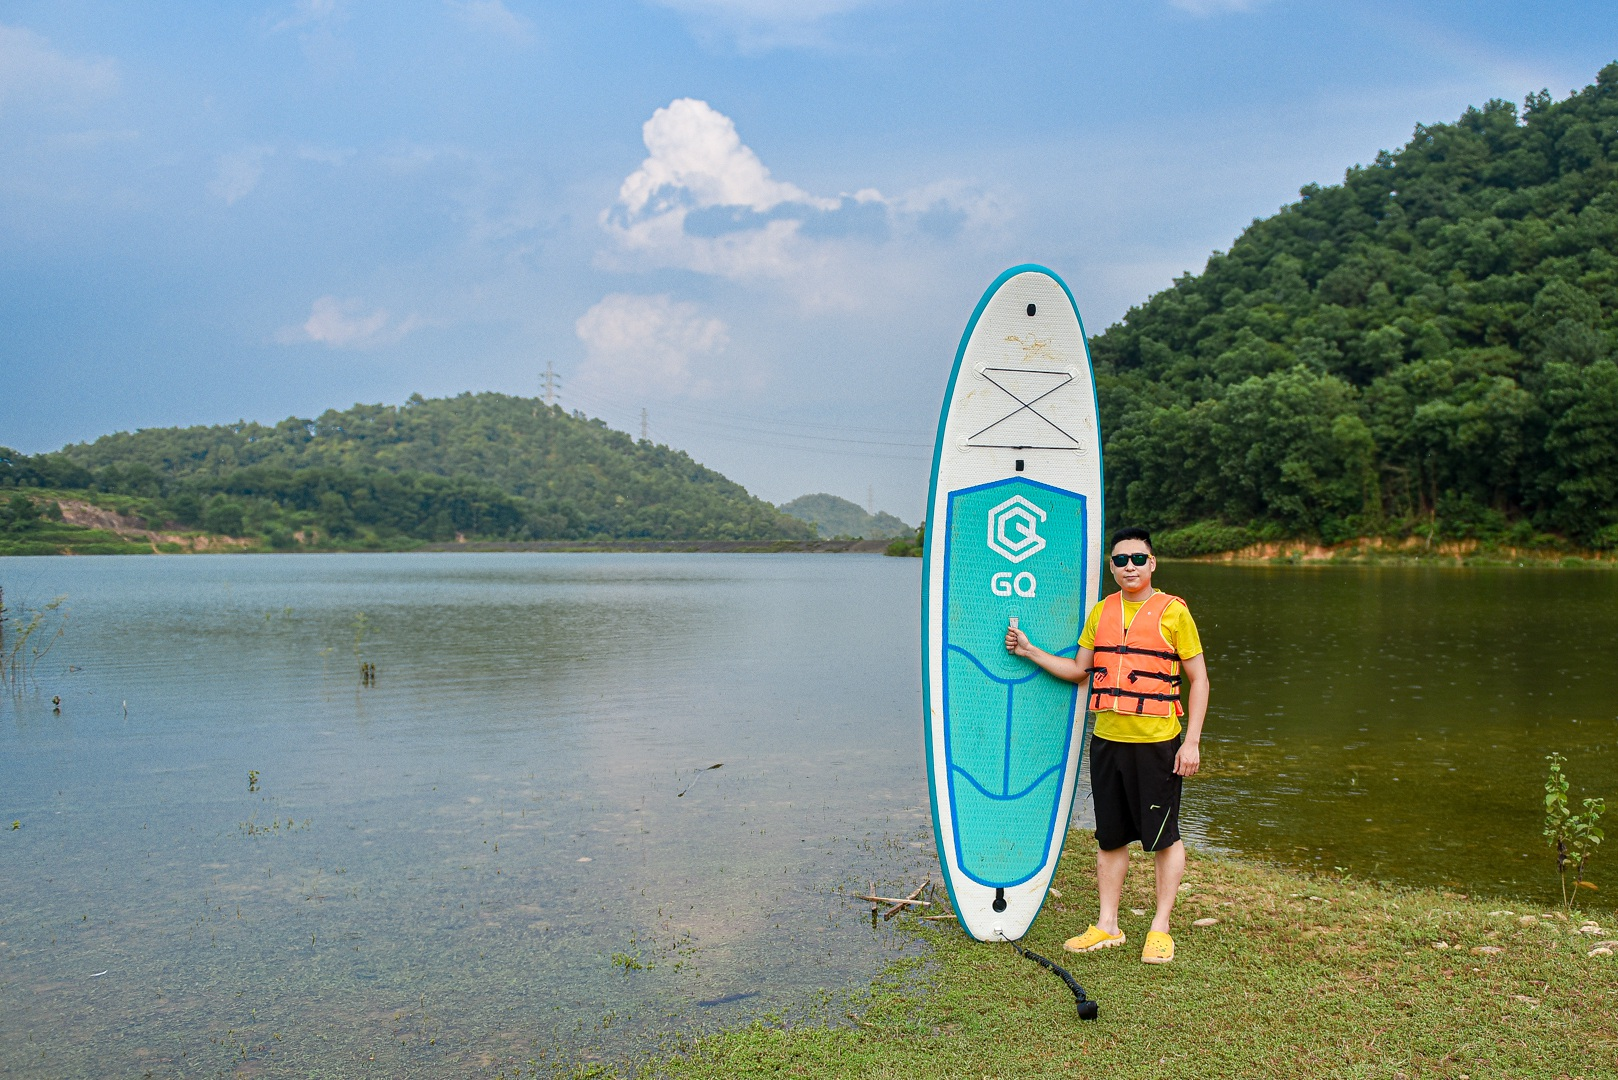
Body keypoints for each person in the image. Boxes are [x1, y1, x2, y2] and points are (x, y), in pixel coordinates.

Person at [1004, 527, 1208, 964]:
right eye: (1120, 560)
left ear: (1152, 563)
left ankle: (1160, 927)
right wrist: (1029, 650)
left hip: (1158, 744)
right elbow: (1080, 670)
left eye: (1137, 558)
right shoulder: (1102, 611)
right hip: (1108, 742)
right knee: (1110, 837)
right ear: (1111, 567)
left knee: (1163, 837)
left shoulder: (1174, 613)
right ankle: (1107, 925)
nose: (1129, 566)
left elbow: (1200, 679)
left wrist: (1190, 742)